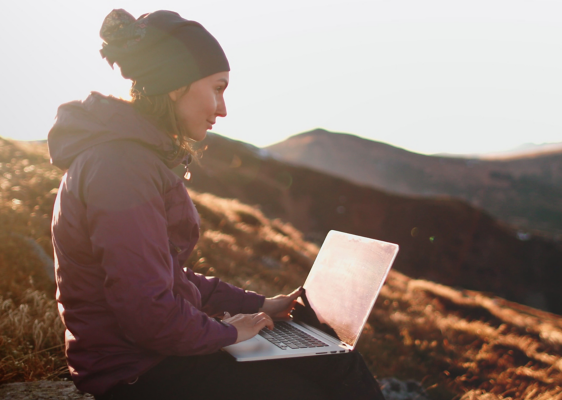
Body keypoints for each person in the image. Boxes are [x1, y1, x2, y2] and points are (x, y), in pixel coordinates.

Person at [48, 9, 385, 400]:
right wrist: (230, 332)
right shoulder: (122, 167)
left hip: (153, 357)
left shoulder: (130, 158)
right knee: (319, 384)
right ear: (176, 86)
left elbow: (164, 277)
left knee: (335, 359)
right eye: (217, 88)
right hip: (140, 372)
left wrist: (262, 305)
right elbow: (146, 313)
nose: (222, 109)